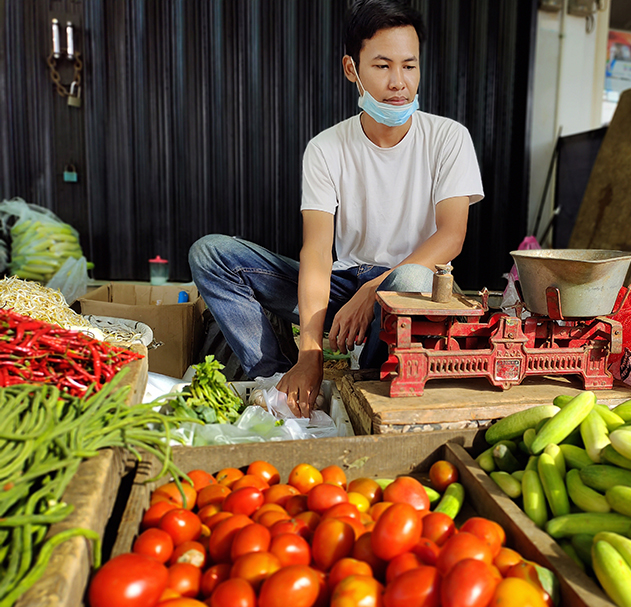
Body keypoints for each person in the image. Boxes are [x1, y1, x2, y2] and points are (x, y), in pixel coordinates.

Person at [189, 0, 484, 417]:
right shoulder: (326, 148)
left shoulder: (448, 138)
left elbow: (451, 235)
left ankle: (367, 380)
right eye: (382, 66)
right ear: (351, 69)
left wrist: (374, 290)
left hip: (410, 291)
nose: (399, 82)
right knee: (211, 254)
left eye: (409, 66)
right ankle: (278, 381)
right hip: (343, 289)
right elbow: (316, 250)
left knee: (411, 278)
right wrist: (310, 351)